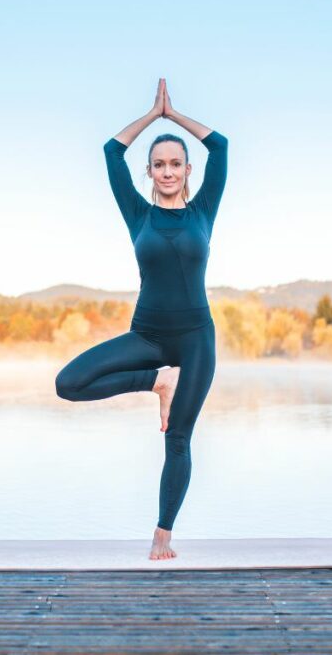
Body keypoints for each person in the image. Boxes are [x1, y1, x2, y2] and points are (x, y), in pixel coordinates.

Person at [55, 78, 228, 560]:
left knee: (178, 438)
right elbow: (111, 152)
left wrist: (176, 117)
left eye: (175, 163)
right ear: (149, 172)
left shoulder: (203, 212)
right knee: (68, 383)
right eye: (159, 165)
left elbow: (221, 145)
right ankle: (157, 382)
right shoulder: (138, 214)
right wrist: (153, 116)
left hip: (196, 339)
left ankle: (162, 534)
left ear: (187, 169)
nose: (167, 171)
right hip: (147, 335)